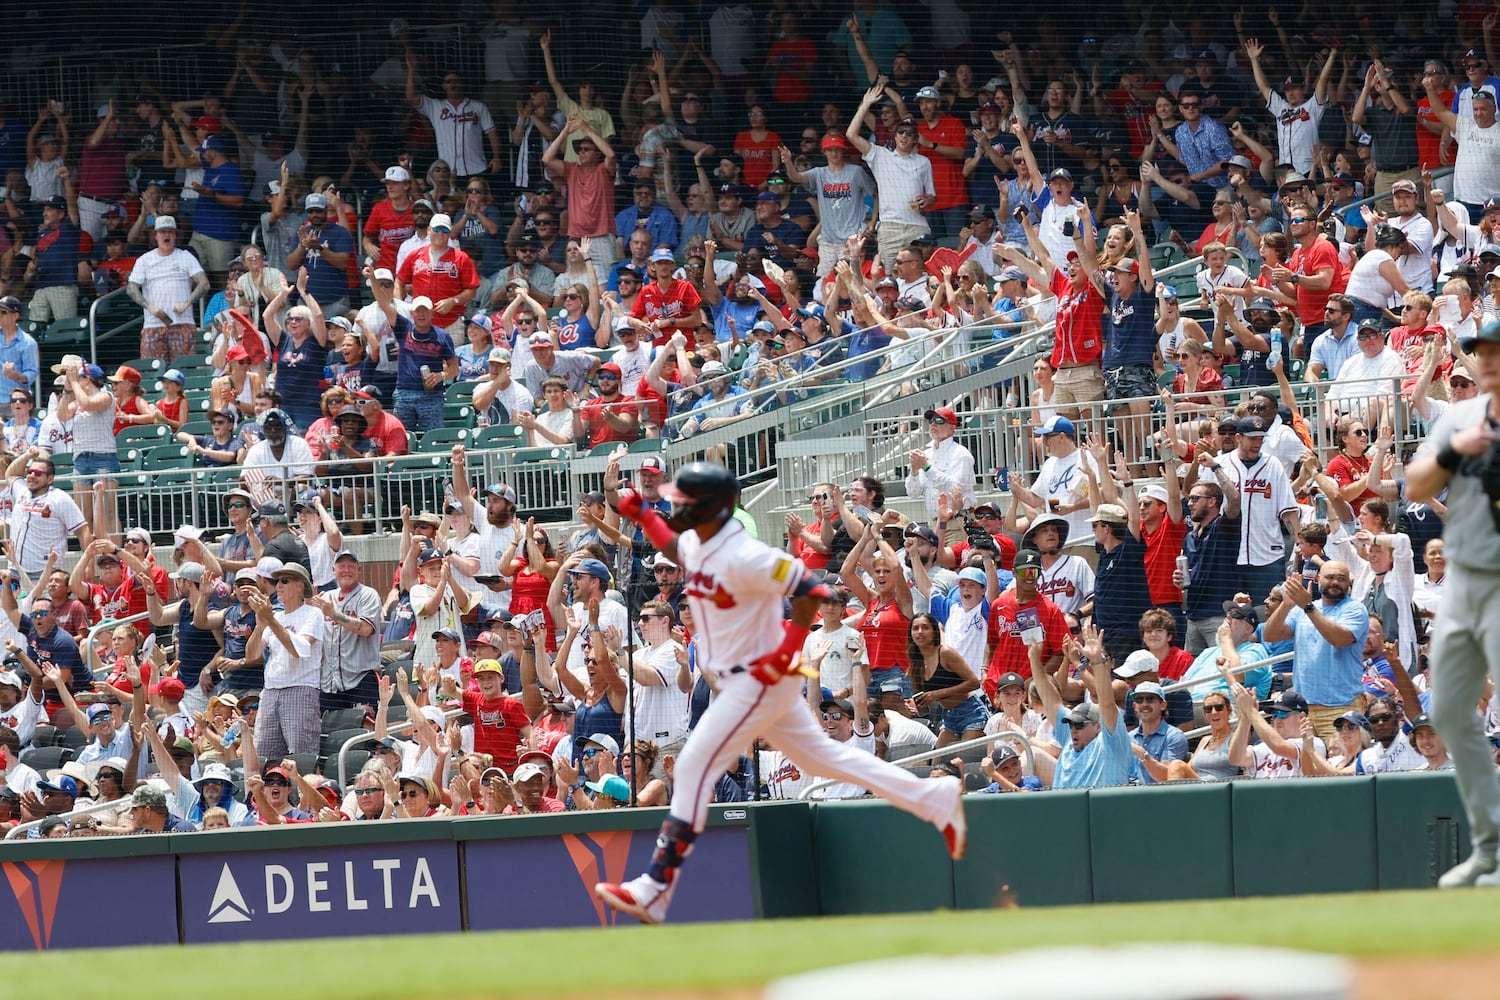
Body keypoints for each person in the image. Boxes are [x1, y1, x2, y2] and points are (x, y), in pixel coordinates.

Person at [594, 463, 965, 924]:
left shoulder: (746, 555)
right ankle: (934, 798)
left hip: (756, 676)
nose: (680, 505)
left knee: (691, 766)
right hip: (748, 679)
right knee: (822, 760)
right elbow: (674, 544)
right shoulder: (697, 541)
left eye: (688, 500)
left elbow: (809, 588)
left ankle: (655, 887)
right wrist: (642, 514)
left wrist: (787, 648)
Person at [1406, 317, 1500, 887]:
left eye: (1495, 352)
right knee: (1446, 709)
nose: (1485, 359)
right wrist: (1455, 452)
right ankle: (1491, 848)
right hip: (1464, 581)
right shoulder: (1461, 417)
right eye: (1480, 352)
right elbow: (1415, 482)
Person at [1263, 561, 1370, 744]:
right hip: (1303, 709)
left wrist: (1308, 607)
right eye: (1330, 577)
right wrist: (1286, 605)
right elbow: (1271, 635)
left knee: (1339, 765)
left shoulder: (1355, 609)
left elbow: (1339, 639)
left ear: (1349, 584)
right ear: (1319, 579)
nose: (1335, 582)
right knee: (1305, 769)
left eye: (1341, 579)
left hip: (1341, 707)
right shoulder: (1301, 610)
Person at [1029, 624, 1131, 789]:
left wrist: (1096, 661)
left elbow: (1106, 704)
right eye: (1071, 724)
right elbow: (1051, 700)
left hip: (1101, 812)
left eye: (1079, 724)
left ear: (1098, 726)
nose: (1073, 729)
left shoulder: (1110, 743)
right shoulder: (1069, 738)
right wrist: (1034, 658)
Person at [244, 562, 325, 760]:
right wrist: (261, 623)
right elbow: (251, 654)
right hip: (271, 691)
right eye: (276, 580)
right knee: (264, 757)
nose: (278, 585)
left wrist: (270, 620)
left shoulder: (313, 614)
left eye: (284, 580)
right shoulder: (275, 617)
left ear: (300, 586)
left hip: (300, 689)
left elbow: (297, 650)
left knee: (301, 757)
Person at [126, 216, 210, 364]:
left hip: (182, 323)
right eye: (162, 232)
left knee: (184, 368)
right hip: (153, 324)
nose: (166, 235)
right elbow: (131, 288)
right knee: (152, 368)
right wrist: (149, 307)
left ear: (175, 235)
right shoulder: (145, 260)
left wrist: (186, 303)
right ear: (156, 235)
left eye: (170, 232)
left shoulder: (185, 256)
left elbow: (204, 283)